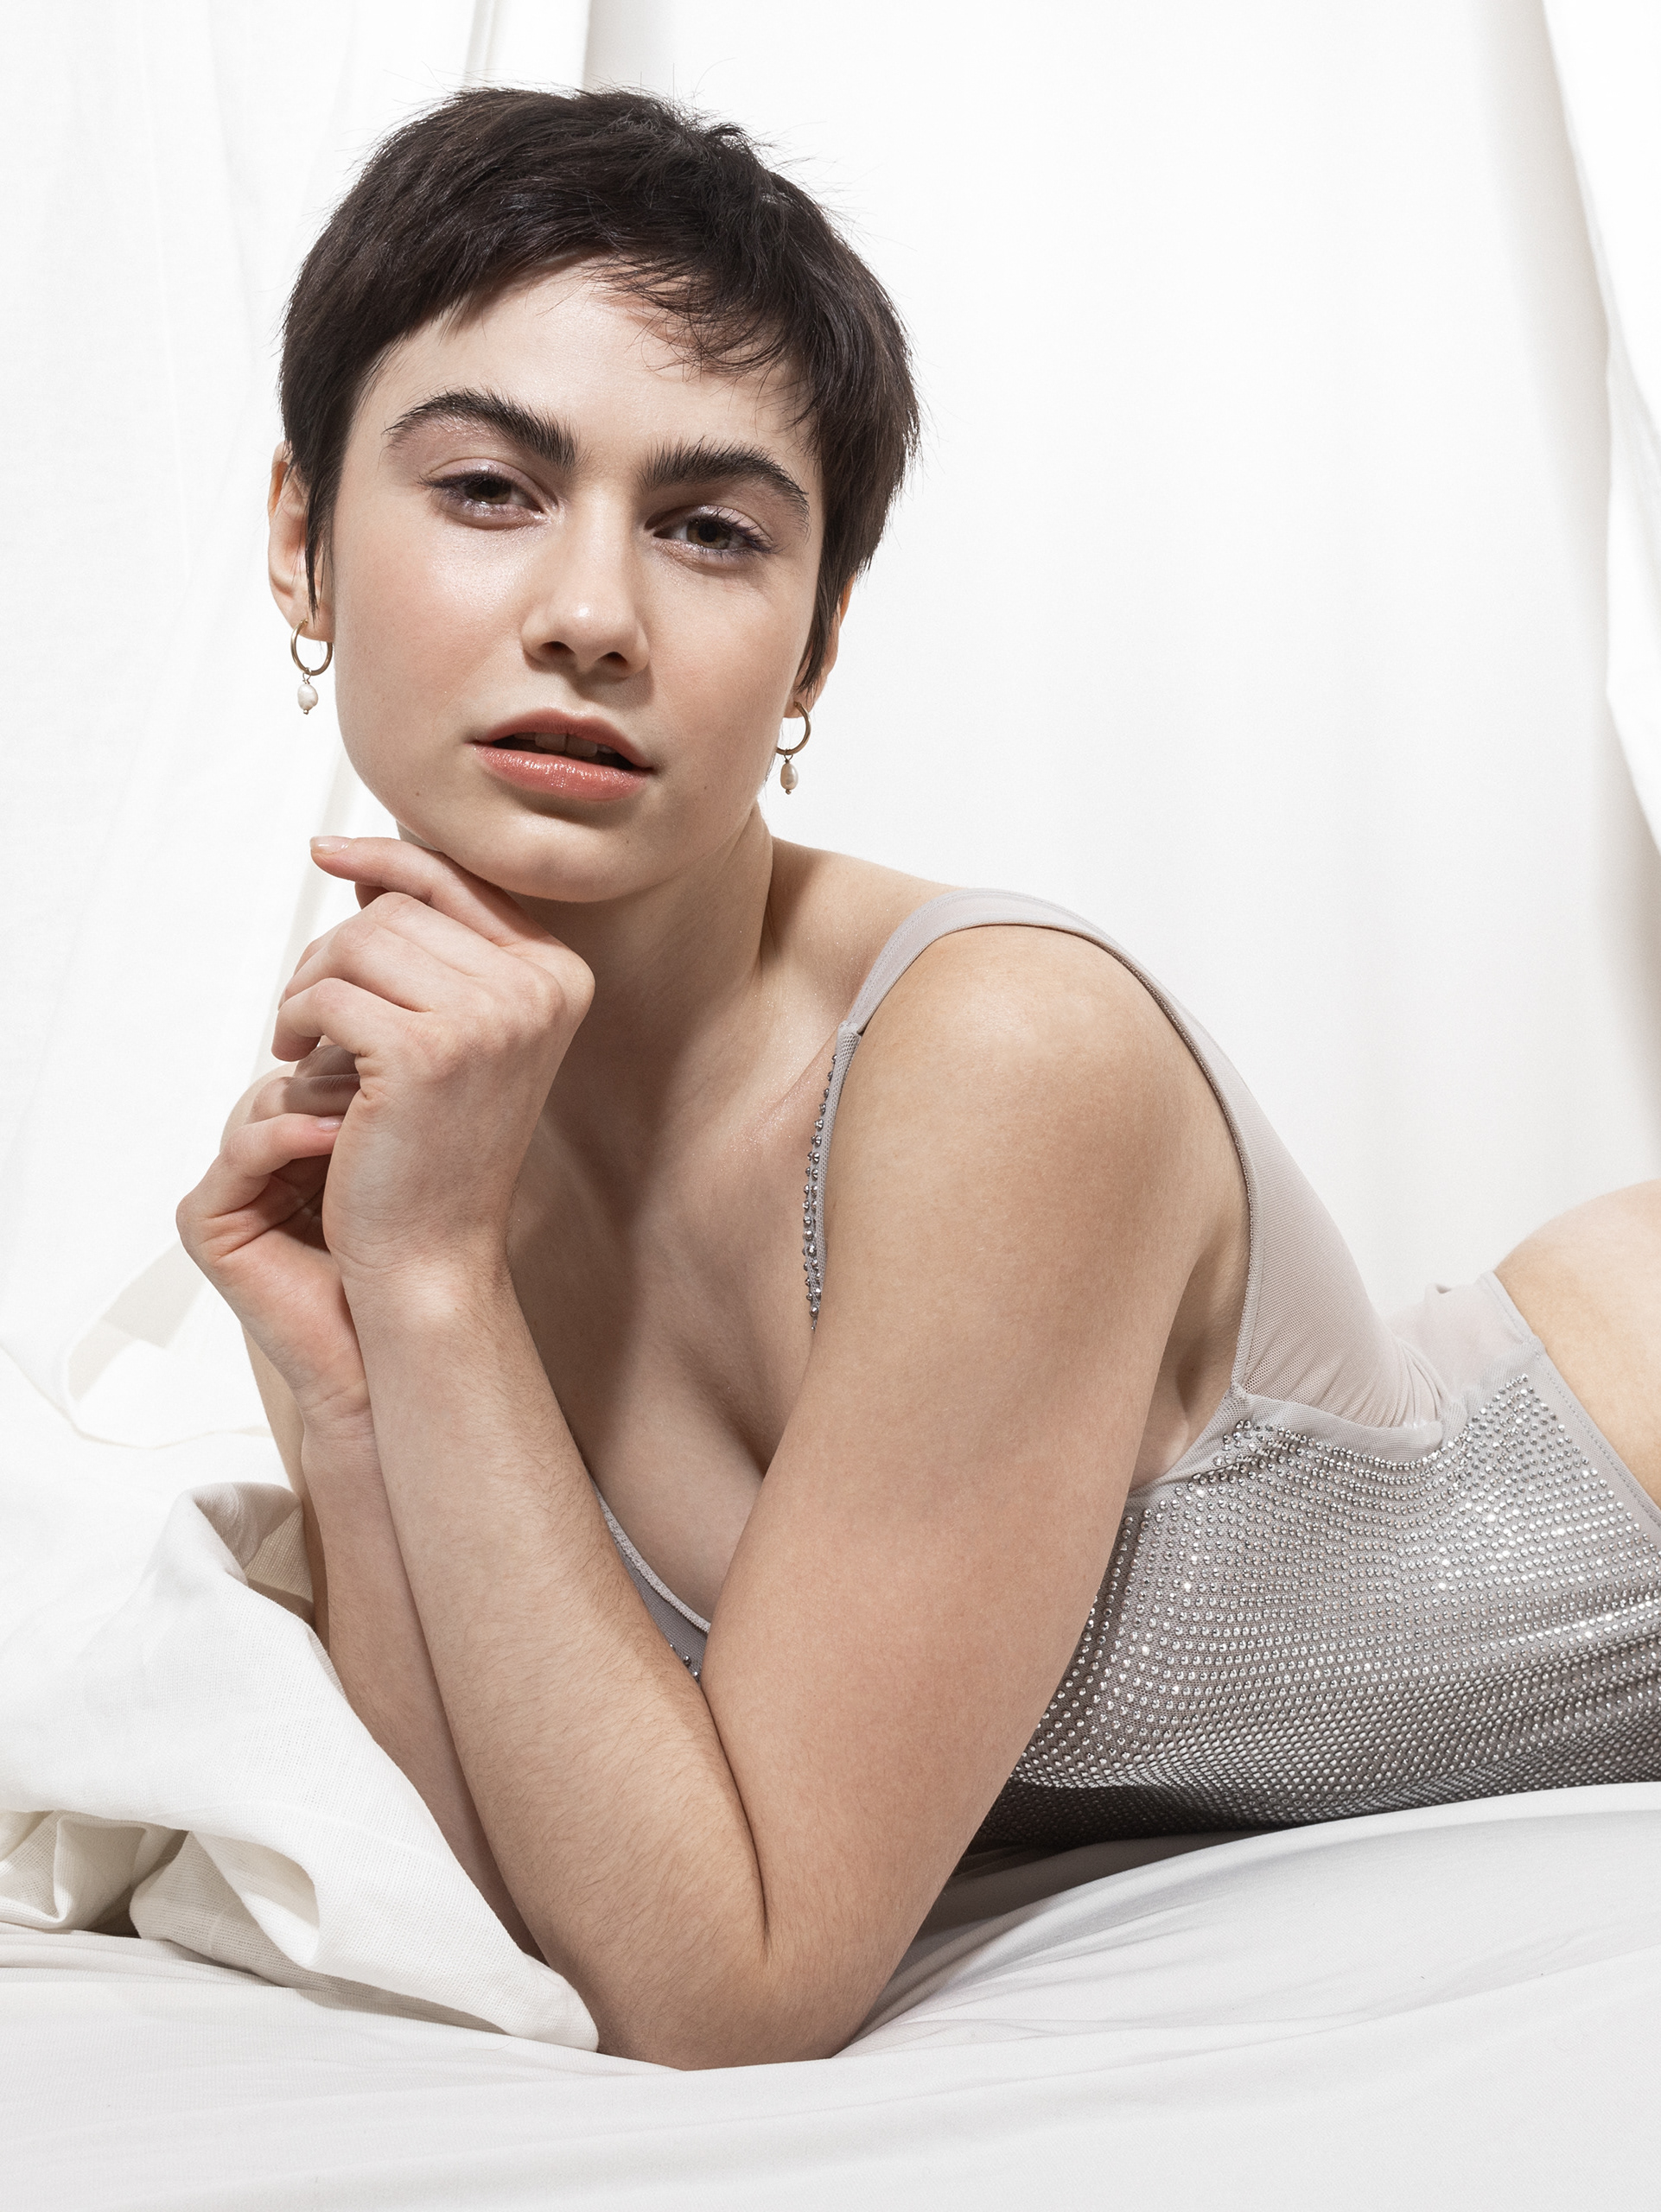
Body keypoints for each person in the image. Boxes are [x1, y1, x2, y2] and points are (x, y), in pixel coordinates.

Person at [176, 86, 1661, 2071]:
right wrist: (362, 1396)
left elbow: (732, 1989)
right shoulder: (420, 1120)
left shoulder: (999, 1057)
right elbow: (502, 1903)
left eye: (710, 529)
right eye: (488, 488)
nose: (590, 616)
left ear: (812, 647)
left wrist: (430, 1281)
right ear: (302, 540)